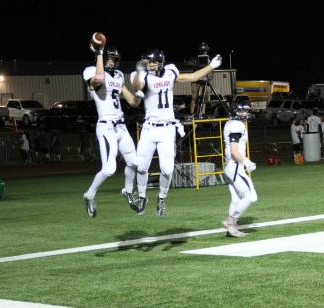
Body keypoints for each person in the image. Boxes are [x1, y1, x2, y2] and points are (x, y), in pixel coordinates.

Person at [130, 48, 222, 217]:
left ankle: (162, 197)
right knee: (141, 167)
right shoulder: (142, 75)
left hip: (167, 129)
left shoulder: (171, 72)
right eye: (149, 62)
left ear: (161, 63)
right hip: (149, 128)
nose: (151, 65)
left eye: (154, 62)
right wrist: (139, 72)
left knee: (167, 169)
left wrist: (211, 66)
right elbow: (138, 86)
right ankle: (142, 196)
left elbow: (193, 77)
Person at [82, 43, 143, 218]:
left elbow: (131, 101)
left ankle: (128, 191)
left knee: (135, 162)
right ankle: (90, 195)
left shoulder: (118, 75)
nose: (111, 62)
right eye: (108, 58)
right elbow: (98, 80)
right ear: (99, 57)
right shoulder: (91, 71)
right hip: (106, 126)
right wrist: (100, 53)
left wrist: (139, 95)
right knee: (109, 169)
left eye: (113, 59)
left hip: (121, 126)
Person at [222, 102, 257, 237]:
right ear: (237, 112)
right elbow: (234, 151)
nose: (246, 114)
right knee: (251, 197)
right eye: (244, 111)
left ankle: (231, 230)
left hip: (231, 166)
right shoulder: (237, 125)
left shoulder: (231, 123)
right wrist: (246, 162)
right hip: (236, 166)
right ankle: (231, 222)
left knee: (236, 199)